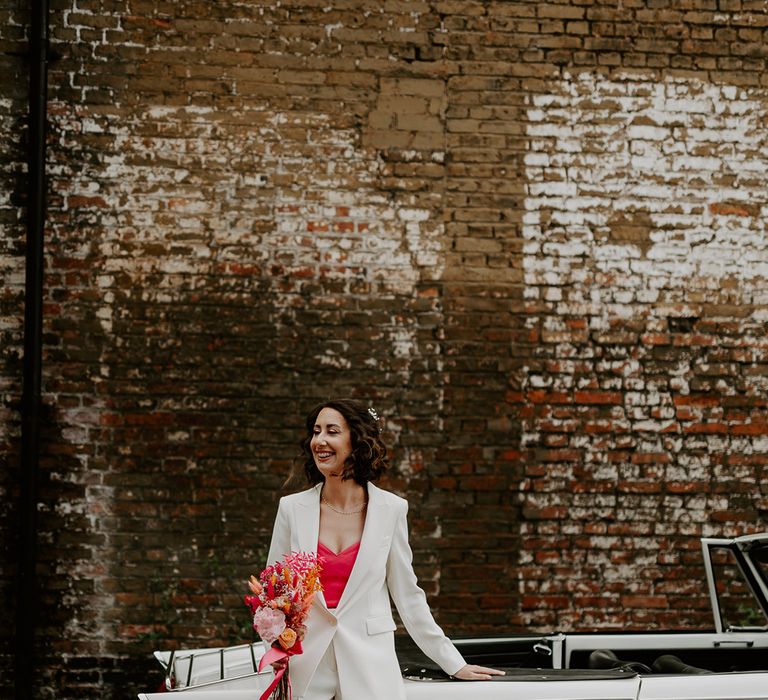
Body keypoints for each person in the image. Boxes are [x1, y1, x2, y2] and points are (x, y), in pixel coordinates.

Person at [265, 398, 504, 699]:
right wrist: (276, 655)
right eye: (315, 431)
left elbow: (408, 595)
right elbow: (272, 594)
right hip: (306, 670)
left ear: (357, 441)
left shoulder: (391, 510)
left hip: (371, 668)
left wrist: (453, 662)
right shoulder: (291, 509)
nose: (319, 441)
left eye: (332, 431)